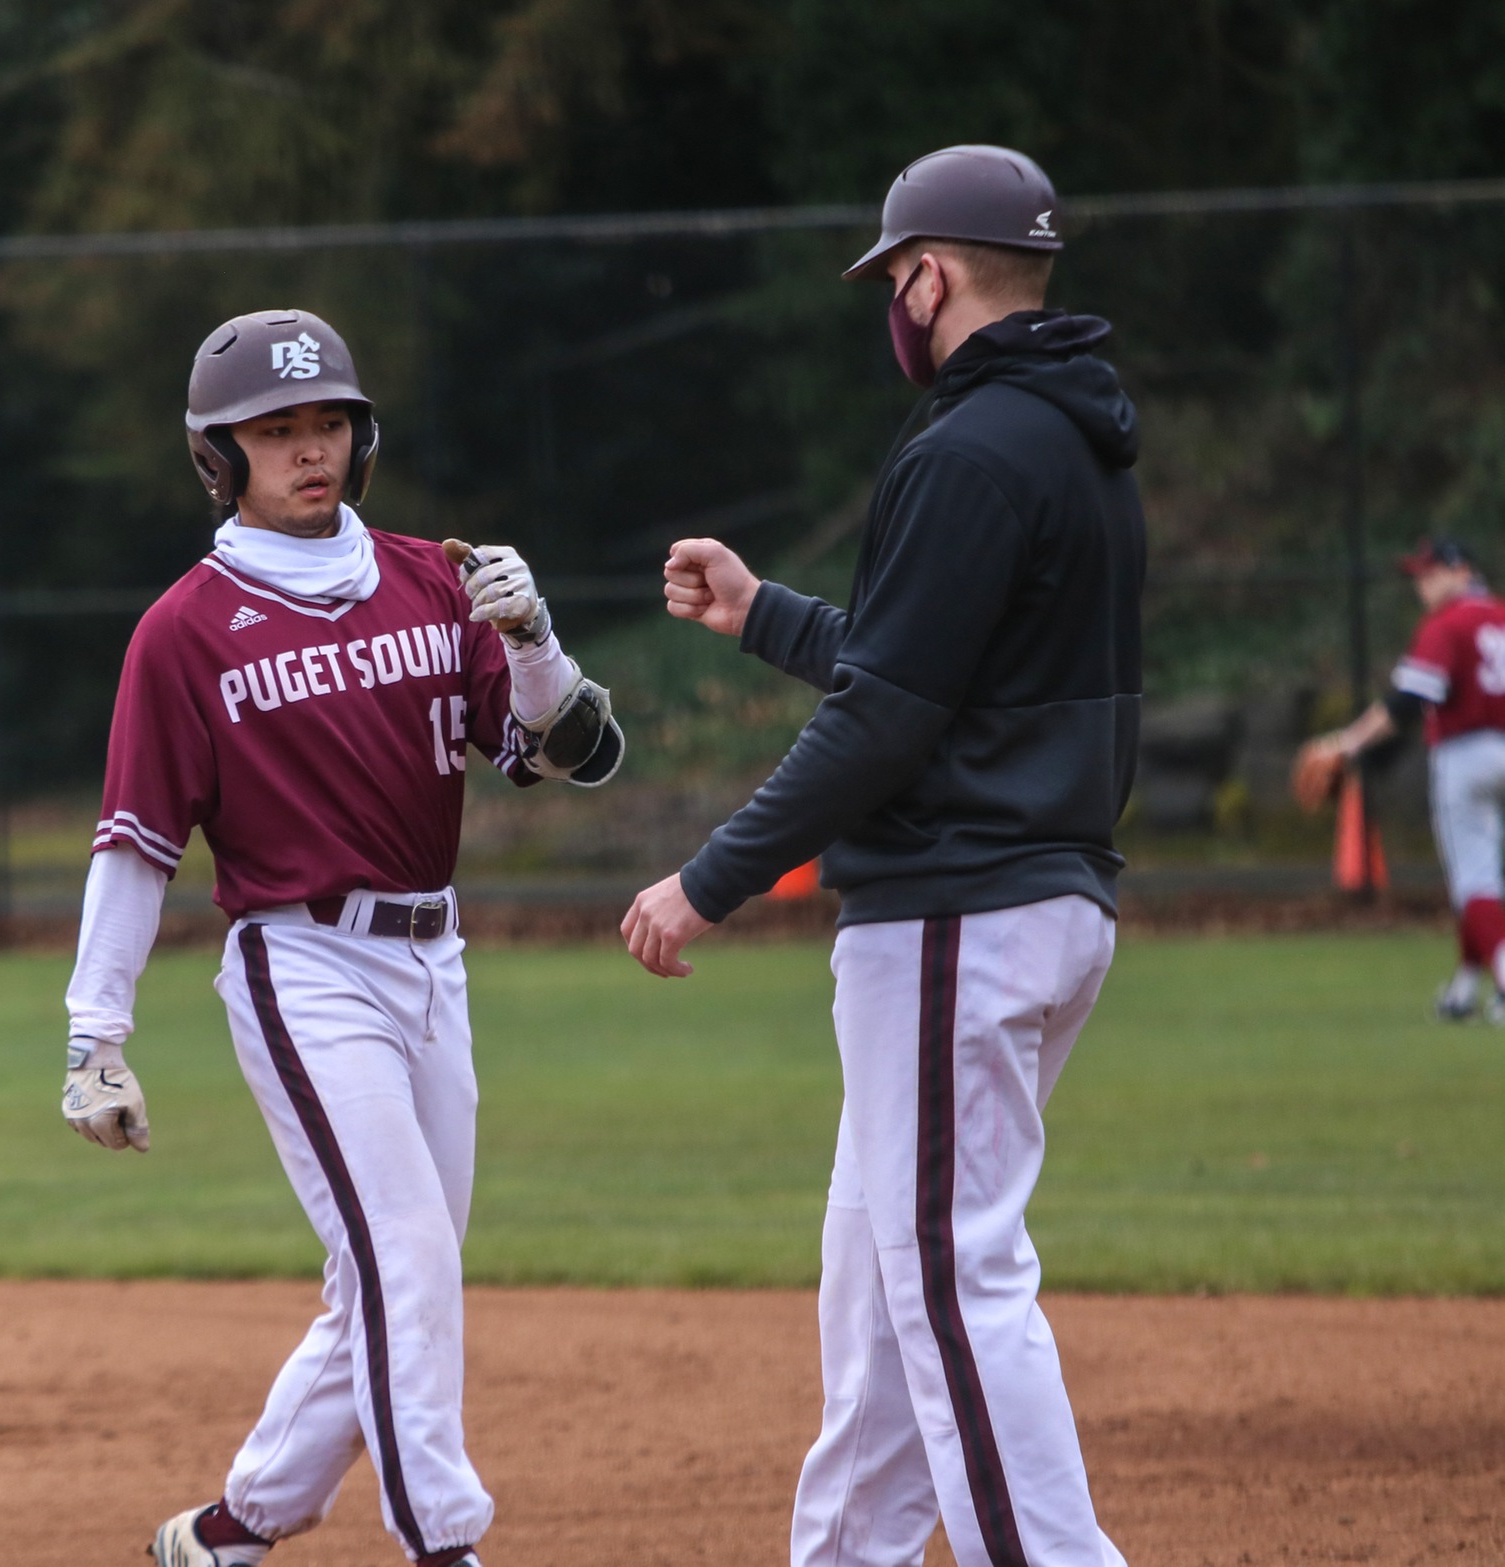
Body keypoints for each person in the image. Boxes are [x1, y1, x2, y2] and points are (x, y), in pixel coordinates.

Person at [622, 145, 1143, 1567]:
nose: (889, 309)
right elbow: (926, 669)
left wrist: (704, 877)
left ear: (925, 275)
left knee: (946, 1276)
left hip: (952, 916)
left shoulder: (968, 448)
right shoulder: (1065, 437)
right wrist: (765, 614)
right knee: (878, 1283)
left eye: (890, 281)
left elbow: (888, 719)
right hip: (1027, 897)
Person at [59, 309, 622, 1567]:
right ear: (220, 455)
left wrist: (532, 641)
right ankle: (443, 1543)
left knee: (389, 1272)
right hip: (301, 963)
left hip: (435, 958)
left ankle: (226, 1531)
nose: (307, 449)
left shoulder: (433, 576)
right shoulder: (185, 630)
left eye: (326, 424)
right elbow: (136, 843)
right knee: (405, 1257)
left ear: (359, 437)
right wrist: (94, 1033)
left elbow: (559, 750)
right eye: (274, 430)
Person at [1298, 537, 1505, 1019]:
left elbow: (1407, 702)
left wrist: (1345, 743)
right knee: (1483, 883)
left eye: (1432, 573)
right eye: (1419, 575)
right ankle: (1462, 989)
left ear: (1461, 572)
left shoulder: (1446, 624)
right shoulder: (1499, 614)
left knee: (1475, 882)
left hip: (1466, 756)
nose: (1423, 584)